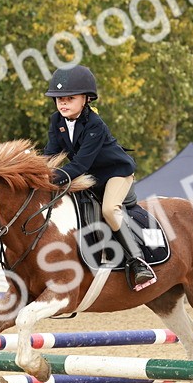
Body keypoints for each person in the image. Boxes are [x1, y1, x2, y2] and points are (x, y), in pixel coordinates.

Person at [43, 65, 157, 291]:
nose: (63, 103)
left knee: (108, 210)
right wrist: (36, 173)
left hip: (115, 173)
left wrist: (52, 179)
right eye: (59, 99)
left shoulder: (95, 125)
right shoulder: (56, 121)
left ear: (85, 99)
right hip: (88, 176)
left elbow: (80, 164)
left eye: (70, 98)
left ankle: (138, 262)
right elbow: (51, 154)